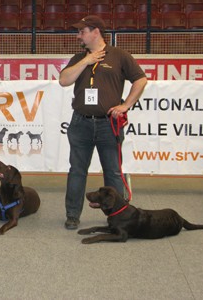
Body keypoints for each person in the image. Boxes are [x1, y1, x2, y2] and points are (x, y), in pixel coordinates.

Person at [59, 15, 147, 230]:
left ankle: (120, 215)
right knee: (77, 171)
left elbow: (141, 79)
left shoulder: (119, 56)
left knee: (113, 172)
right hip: (80, 123)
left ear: (96, 31)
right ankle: (72, 215)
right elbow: (64, 80)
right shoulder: (79, 57)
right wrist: (86, 61)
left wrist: (125, 105)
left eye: (82, 31)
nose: (79, 35)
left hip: (109, 124)